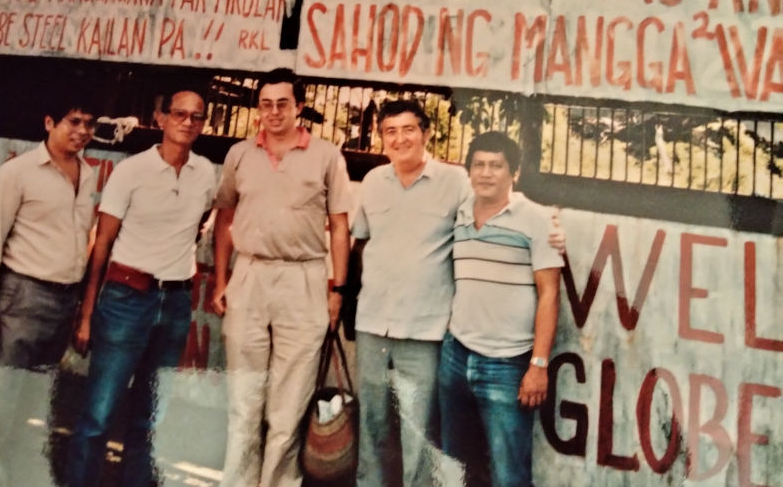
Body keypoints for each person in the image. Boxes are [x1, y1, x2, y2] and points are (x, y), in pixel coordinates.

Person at [349, 101, 565, 487]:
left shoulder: (456, 184)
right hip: (374, 327)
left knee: (422, 436)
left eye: (408, 129)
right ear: (382, 138)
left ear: (427, 133)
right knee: (374, 427)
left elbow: (500, 196)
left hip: (429, 333)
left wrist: (552, 228)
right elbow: (360, 244)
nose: (400, 139)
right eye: (390, 131)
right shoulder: (371, 183)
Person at [66, 89, 216, 487]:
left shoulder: (205, 174)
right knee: (99, 413)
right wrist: (86, 314)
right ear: (161, 117)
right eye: (179, 113)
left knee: (151, 417)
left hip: (177, 300)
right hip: (126, 298)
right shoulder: (132, 171)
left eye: (196, 116)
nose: (188, 122)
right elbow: (102, 243)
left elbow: (205, 221)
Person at [210, 67, 351, 487]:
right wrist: (222, 280)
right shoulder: (239, 154)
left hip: (304, 279)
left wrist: (336, 290)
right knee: (243, 404)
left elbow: (340, 227)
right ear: (258, 109)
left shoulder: (327, 155)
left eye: (283, 104)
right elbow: (225, 218)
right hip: (250, 275)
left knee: (287, 412)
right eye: (266, 104)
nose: (274, 112)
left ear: (300, 107)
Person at [0, 93, 99, 486]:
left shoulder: (89, 174)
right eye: (73, 121)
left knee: (34, 402)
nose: (82, 131)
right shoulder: (16, 174)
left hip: (63, 301)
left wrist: (80, 309)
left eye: (89, 123)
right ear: (49, 122)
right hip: (21, 298)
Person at [438, 131, 563, 487]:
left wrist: (538, 365)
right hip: (455, 355)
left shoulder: (537, 220)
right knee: (453, 466)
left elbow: (550, 294)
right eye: (478, 165)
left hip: (508, 364)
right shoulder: (459, 214)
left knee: (509, 474)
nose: (486, 173)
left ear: (514, 173)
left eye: (496, 166)